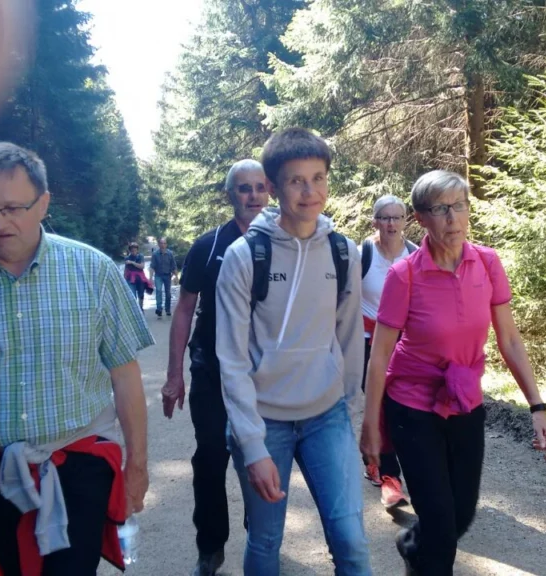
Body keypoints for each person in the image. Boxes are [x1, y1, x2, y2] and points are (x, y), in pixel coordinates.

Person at [0, 142, 154, 576]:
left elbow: (126, 378)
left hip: (81, 466)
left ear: (44, 204)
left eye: (14, 207)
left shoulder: (93, 272)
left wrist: (138, 467)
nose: (0, 223)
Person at [360, 170, 546, 576]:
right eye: (441, 209)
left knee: (461, 514)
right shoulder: (405, 274)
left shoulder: (486, 262)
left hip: (464, 401)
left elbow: (511, 340)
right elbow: (379, 356)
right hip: (412, 407)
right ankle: (426, 553)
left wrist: (538, 406)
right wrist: (371, 427)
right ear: (421, 218)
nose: (453, 217)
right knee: (442, 530)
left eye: (459, 205)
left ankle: (413, 544)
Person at [216, 128, 371, 575]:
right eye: (297, 180)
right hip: (265, 422)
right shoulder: (246, 257)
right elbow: (231, 358)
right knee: (265, 541)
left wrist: (347, 406)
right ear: (274, 186)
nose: (310, 191)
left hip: (327, 416)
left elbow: (347, 335)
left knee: (353, 542)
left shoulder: (343, 252)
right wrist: (252, 444)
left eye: (319, 177)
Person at [160, 159, 269, 575]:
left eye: (260, 187)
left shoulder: (283, 243)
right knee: (210, 458)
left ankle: (260, 534)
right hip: (212, 372)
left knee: (262, 457)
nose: (253, 196)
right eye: (244, 188)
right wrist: (174, 376)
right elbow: (184, 310)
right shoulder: (208, 247)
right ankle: (211, 546)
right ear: (230, 195)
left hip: (265, 376)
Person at [359, 194, 416, 509]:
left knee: (406, 408)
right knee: (380, 407)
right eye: (385, 217)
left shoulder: (417, 256)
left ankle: (386, 464)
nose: (392, 223)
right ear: (375, 222)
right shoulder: (361, 255)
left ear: (406, 221)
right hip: (369, 342)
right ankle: (388, 477)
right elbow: (342, 299)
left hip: (407, 345)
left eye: (398, 217)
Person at [149, 237, 178, 319]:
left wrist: (176, 276)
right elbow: (152, 266)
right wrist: (150, 278)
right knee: (158, 290)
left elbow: (174, 265)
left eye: (164, 243)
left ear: (166, 245)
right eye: (161, 243)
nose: (163, 245)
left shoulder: (170, 254)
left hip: (167, 276)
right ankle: (159, 309)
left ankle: (168, 309)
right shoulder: (155, 254)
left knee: (168, 293)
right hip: (158, 275)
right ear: (159, 244)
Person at [124, 242, 148, 310]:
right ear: (130, 251)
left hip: (140, 278)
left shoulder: (140, 256)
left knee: (141, 295)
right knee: (132, 295)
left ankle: (140, 307)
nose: (134, 252)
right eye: (132, 250)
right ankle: (135, 309)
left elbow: (142, 266)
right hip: (130, 279)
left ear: (137, 250)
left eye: (135, 250)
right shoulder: (127, 258)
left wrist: (132, 262)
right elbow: (126, 269)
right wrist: (124, 279)